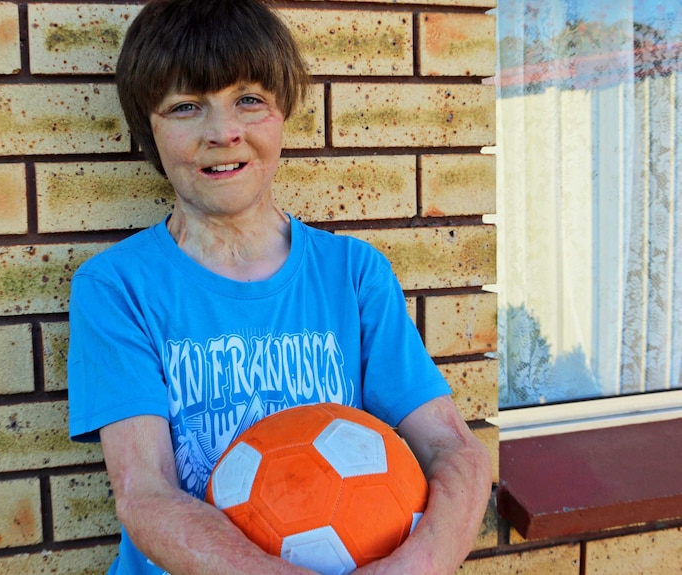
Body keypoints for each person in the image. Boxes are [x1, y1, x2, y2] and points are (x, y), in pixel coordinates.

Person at [67, 0, 492, 573]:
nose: (224, 133)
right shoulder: (117, 287)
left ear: (282, 112)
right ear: (150, 129)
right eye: (187, 107)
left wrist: (417, 565)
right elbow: (146, 494)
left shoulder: (353, 272)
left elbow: (454, 450)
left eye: (249, 100)